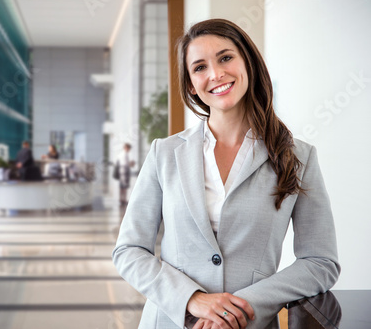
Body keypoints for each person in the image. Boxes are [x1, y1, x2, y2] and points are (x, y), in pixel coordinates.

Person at [112, 19, 340, 329]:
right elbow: (129, 250)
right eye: (200, 67)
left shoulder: (298, 156)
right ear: (191, 85)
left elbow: (320, 262)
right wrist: (192, 299)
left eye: (225, 57)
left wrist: (238, 309)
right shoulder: (163, 154)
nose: (216, 74)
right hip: (170, 322)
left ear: (247, 62)